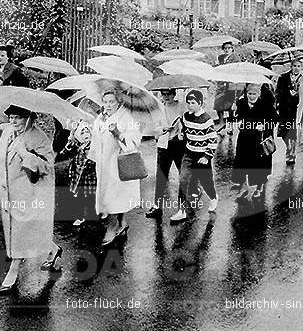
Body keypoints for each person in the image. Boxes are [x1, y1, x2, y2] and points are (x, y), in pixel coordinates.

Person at [0, 104, 61, 293]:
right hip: (10, 193)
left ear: (29, 117)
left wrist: (24, 152)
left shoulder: (40, 138)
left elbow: (47, 168)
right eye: (11, 117)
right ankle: (53, 250)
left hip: (31, 193)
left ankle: (13, 271)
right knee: (25, 230)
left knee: (21, 231)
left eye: (18, 118)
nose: (14, 121)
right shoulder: (7, 132)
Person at [87, 89, 142, 245]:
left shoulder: (127, 118)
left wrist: (118, 134)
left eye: (111, 101)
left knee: (115, 196)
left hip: (118, 164)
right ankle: (122, 223)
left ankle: (112, 226)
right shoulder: (101, 117)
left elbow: (134, 142)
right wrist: (91, 158)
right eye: (105, 101)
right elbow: (96, 139)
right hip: (103, 164)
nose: (108, 105)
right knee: (111, 195)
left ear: (119, 102)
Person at [170, 89, 218, 223]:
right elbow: (185, 130)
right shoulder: (186, 116)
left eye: (193, 102)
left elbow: (213, 141)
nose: (190, 105)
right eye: (188, 102)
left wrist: (207, 157)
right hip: (189, 153)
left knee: (206, 181)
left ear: (200, 103)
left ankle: (213, 198)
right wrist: (182, 134)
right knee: (183, 179)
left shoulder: (207, 120)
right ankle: (181, 211)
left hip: (202, 155)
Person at [232, 83, 277, 200]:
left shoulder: (265, 105)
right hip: (245, 138)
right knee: (242, 162)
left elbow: (275, 120)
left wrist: (265, 126)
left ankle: (259, 187)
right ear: (246, 94)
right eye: (249, 94)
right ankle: (244, 187)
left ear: (259, 94)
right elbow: (237, 118)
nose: (251, 96)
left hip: (259, 139)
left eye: (254, 94)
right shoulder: (241, 103)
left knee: (258, 164)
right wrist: (235, 115)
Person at [60, 99, 100, 228]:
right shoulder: (77, 145)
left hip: (89, 175)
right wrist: (70, 142)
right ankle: (80, 215)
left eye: (87, 131)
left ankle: (93, 212)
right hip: (78, 174)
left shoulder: (93, 146)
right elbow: (64, 152)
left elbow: (95, 158)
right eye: (82, 133)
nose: (86, 134)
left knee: (91, 195)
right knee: (80, 196)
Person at [146, 88, 185, 218]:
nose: (166, 97)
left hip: (179, 144)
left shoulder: (181, 106)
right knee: (161, 175)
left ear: (174, 94)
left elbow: (187, 122)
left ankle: (183, 207)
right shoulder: (159, 108)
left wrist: (181, 129)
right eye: (164, 94)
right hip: (164, 144)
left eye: (169, 94)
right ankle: (157, 205)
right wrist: (162, 128)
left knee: (183, 173)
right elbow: (154, 127)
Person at [276, 59, 303, 164]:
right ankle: (288, 147)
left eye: (298, 66)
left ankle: (291, 153)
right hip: (284, 108)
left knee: (293, 132)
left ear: (301, 68)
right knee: (283, 132)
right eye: (294, 66)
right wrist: (288, 93)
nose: (296, 68)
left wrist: (296, 95)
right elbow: (278, 91)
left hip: (295, 109)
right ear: (291, 67)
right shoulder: (283, 77)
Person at [213, 42, 238, 134]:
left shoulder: (235, 58)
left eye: (229, 48)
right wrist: (217, 65)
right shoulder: (220, 57)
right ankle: (221, 122)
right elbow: (217, 68)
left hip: (231, 82)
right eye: (225, 48)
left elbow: (235, 69)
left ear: (232, 49)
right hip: (221, 82)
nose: (227, 50)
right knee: (218, 103)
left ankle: (231, 126)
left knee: (230, 105)